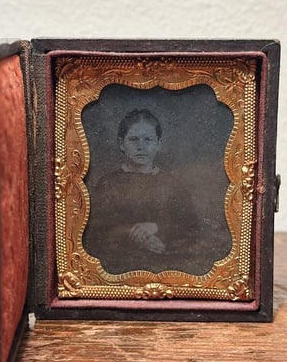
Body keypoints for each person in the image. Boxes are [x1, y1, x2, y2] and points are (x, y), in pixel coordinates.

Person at [84, 109, 205, 274]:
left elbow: (192, 229)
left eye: (148, 139)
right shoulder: (108, 184)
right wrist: (133, 233)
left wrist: (156, 228)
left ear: (158, 144)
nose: (141, 146)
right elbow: (95, 233)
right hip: (120, 267)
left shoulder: (172, 183)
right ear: (121, 144)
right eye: (133, 139)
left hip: (167, 265)